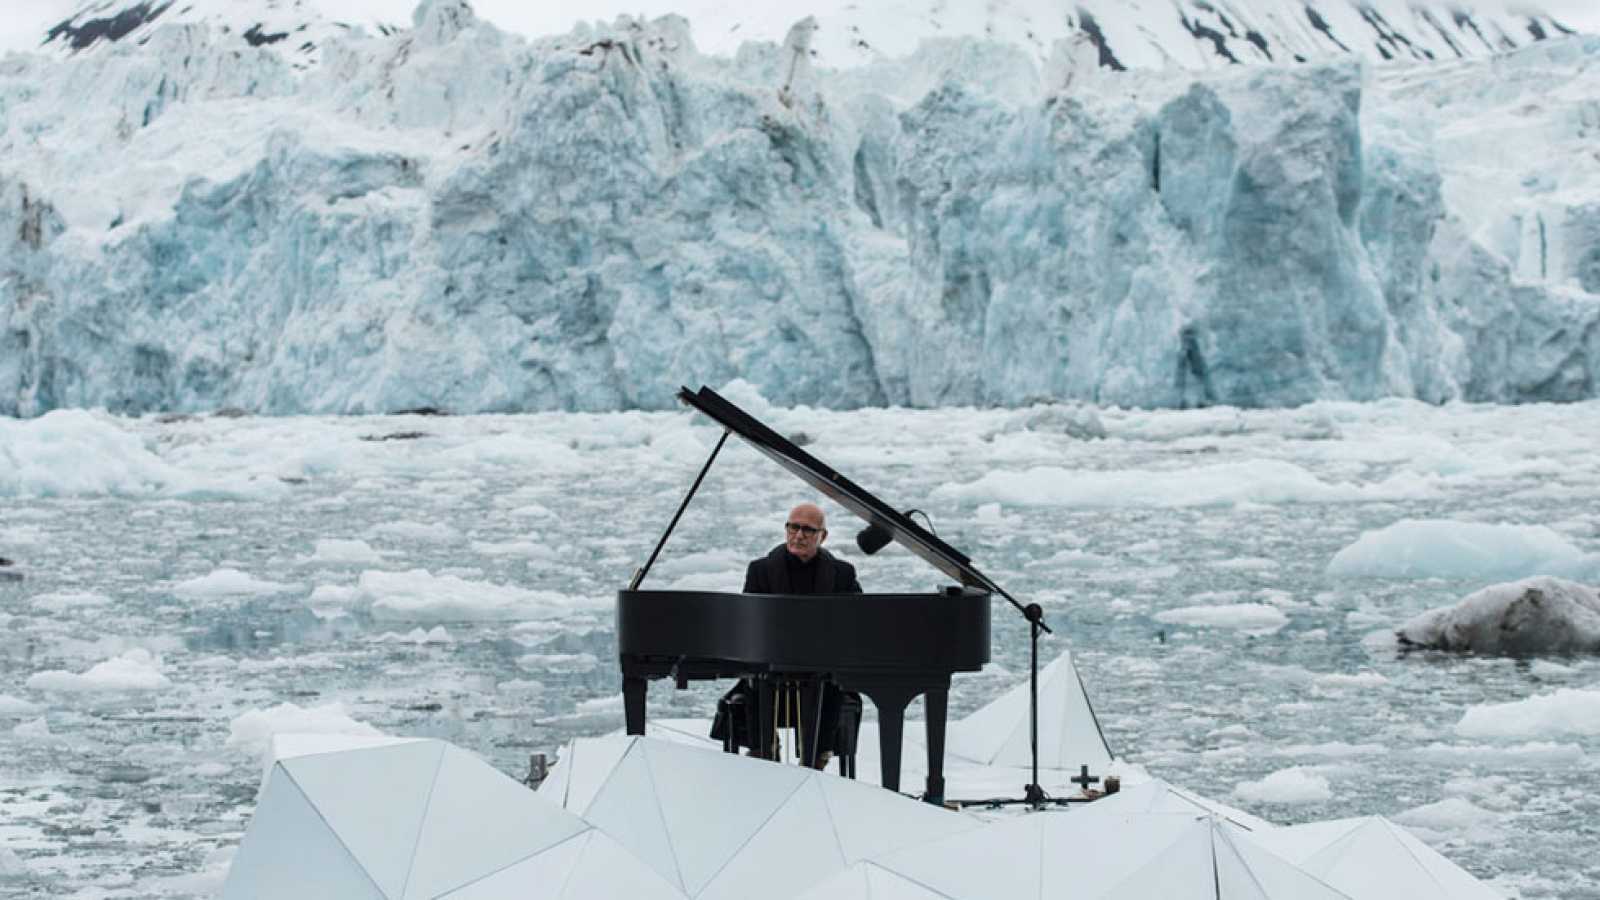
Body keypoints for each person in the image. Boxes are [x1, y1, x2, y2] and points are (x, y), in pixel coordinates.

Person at [711, 502, 862, 767]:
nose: (799, 535)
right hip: (771, 669)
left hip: (821, 669)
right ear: (786, 529)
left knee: (834, 685)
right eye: (794, 527)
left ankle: (817, 756)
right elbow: (748, 623)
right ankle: (765, 751)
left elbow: (857, 621)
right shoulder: (759, 570)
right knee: (754, 681)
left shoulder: (842, 573)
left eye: (807, 530)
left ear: (822, 536)